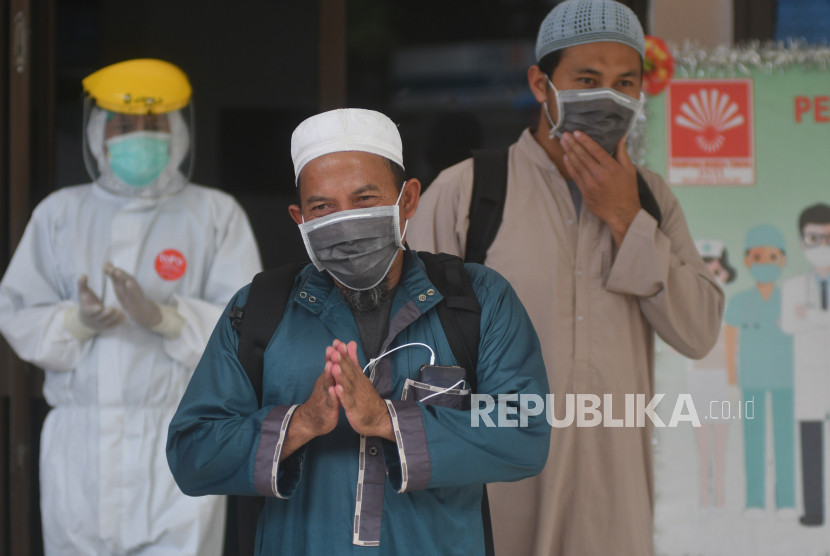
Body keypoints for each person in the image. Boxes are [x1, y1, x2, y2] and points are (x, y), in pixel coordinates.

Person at [407, 1, 724, 554]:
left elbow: (698, 330)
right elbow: (399, 342)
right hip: (490, 507)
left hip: (612, 512)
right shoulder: (470, 193)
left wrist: (627, 219)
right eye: (586, 79)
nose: (607, 96)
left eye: (625, 82)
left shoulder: (651, 200)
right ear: (540, 83)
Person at [166, 108, 551, 555]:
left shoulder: (477, 300)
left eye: (364, 199)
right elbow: (192, 455)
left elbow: (525, 430)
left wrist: (388, 421)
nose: (345, 222)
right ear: (300, 219)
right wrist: (301, 423)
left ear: (407, 200)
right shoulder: (260, 310)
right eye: (323, 207)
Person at [0, 59, 262, 555]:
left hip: (180, 437)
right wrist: (75, 322)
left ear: (179, 130)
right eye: (124, 124)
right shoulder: (60, 213)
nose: (138, 135)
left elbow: (246, 328)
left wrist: (167, 318)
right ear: (98, 131)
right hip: (82, 449)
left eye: (153, 123)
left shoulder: (214, 213)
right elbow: (16, 310)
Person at [724, 224, 795, 519]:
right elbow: (730, 342)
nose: (764, 263)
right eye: (758, 256)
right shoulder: (739, 301)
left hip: (786, 380)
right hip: (750, 381)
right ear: (747, 261)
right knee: (752, 439)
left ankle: (787, 501)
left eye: (771, 256)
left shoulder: (791, 300)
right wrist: (732, 378)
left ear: (783, 260)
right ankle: (754, 502)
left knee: (785, 439)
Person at [780, 203, 830, 526]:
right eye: (815, 238)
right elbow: (788, 324)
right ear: (802, 241)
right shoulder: (793, 287)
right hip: (810, 378)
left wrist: (810, 316)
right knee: (810, 449)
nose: (822, 246)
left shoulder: (801, 298)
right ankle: (814, 513)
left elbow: (802, 319)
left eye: (829, 238)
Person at [687, 240, 737, 510]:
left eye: (716, 272)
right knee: (702, 442)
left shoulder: (730, 312)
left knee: (720, 440)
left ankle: (720, 493)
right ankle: (704, 496)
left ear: (725, 274)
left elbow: (734, 345)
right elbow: (675, 344)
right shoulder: (688, 310)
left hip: (721, 378)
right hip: (697, 379)